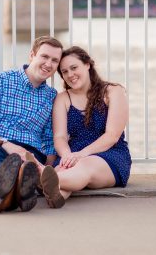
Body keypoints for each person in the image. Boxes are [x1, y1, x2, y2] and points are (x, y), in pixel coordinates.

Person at [0, 36, 63, 215]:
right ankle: (15, 188)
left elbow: (49, 140)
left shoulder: (51, 96)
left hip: (30, 155)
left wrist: (47, 170)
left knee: (27, 165)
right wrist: (6, 144)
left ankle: (8, 193)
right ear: (32, 55)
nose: (49, 64)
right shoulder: (0, 81)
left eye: (54, 60)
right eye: (44, 57)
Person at [34, 46, 131, 207]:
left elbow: (112, 135)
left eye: (74, 68)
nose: (70, 75)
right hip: (72, 155)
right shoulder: (62, 98)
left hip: (109, 155)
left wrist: (81, 155)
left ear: (87, 64)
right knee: (63, 171)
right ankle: (55, 196)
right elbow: (60, 137)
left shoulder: (113, 92)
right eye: (64, 72)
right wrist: (66, 155)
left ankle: (37, 180)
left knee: (83, 166)